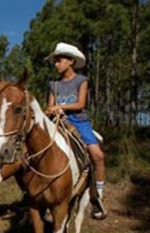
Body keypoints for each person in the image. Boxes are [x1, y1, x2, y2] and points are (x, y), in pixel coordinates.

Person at [45, 42, 107, 220]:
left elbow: (80, 104)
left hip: (79, 122)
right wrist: (53, 109)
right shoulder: (53, 85)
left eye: (60, 60)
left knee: (97, 155)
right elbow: (49, 107)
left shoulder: (82, 80)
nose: (56, 64)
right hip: (59, 122)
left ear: (70, 61)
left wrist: (60, 106)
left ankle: (98, 195)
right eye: (55, 61)